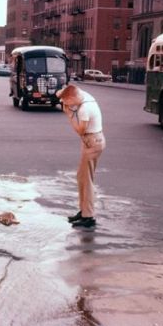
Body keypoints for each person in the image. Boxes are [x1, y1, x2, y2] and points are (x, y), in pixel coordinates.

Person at [57, 85, 106, 228]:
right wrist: (63, 98)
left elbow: (80, 130)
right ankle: (84, 211)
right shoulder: (81, 94)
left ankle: (88, 217)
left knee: (86, 180)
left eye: (67, 102)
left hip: (92, 141)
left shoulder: (84, 109)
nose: (66, 105)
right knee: (82, 177)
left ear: (72, 98)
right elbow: (62, 92)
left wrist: (69, 114)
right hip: (92, 140)